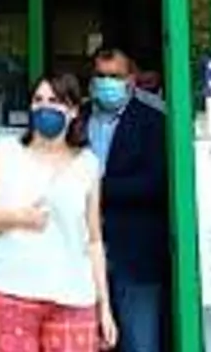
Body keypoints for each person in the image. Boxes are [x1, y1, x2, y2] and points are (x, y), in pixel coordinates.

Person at [0, 72, 118, 352]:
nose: (45, 107)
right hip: (11, 293)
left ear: (73, 110)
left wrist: (104, 307)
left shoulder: (87, 164)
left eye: (55, 101)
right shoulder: (5, 151)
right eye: (38, 100)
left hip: (74, 298)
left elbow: (93, 240)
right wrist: (18, 218)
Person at [88, 46, 169, 352]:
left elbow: (156, 184)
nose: (107, 83)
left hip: (135, 255)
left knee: (139, 342)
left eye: (115, 76)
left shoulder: (153, 123)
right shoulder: (78, 119)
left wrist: (98, 188)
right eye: (101, 75)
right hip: (81, 252)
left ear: (131, 80)